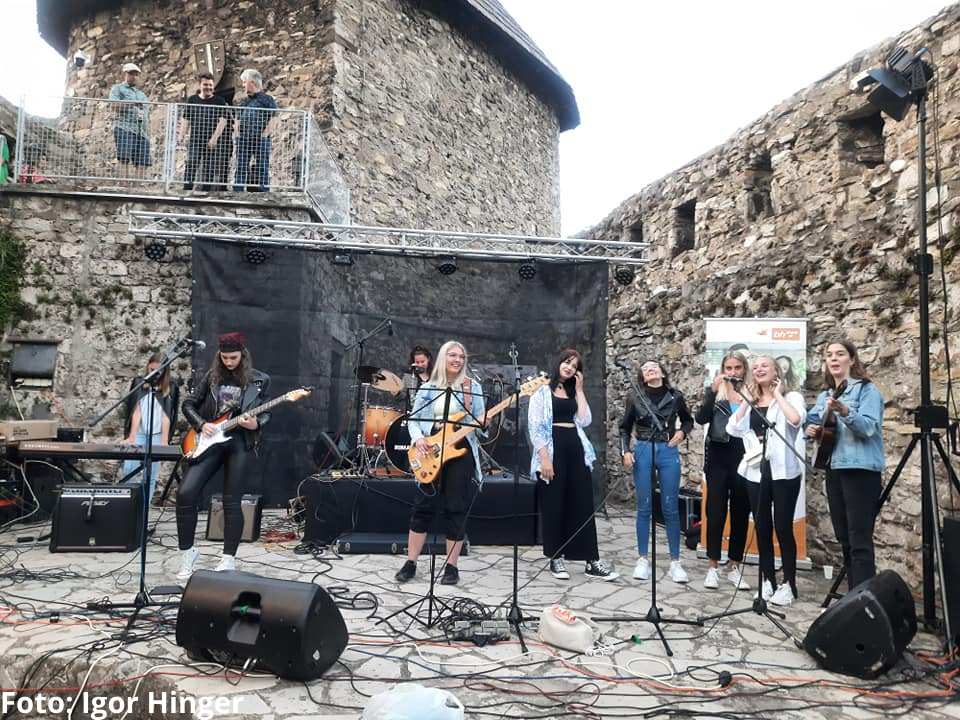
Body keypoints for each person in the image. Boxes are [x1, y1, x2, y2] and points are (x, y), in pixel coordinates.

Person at [176, 332, 270, 580]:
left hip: (239, 442)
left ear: (243, 355)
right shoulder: (212, 376)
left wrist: (256, 424)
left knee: (232, 501)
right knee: (185, 493)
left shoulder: (259, 380)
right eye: (224, 358)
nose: (228, 362)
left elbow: (266, 412)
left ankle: (228, 558)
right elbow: (188, 404)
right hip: (211, 439)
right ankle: (187, 553)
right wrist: (201, 424)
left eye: (233, 358)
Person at [395, 341, 487, 586]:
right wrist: (419, 438)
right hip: (431, 449)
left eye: (461, 356)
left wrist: (484, 424)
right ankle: (411, 562)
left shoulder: (472, 387)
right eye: (452, 355)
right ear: (443, 358)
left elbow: (481, 424)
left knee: (456, 507)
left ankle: (451, 567)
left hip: (460, 450)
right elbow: (414, 420)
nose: (457, 360)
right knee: (422, 506)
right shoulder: (428, 387)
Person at [528, 349, 618, 581]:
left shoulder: (572, 391)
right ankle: (556, 557)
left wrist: (579, 390)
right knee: (554, 504)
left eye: (575, 366)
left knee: (582, 504)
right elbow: (535, 427)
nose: (569, 368)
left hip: (576, 449)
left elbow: (585, 420)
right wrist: (545, 459)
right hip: (552, 450)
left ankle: (591, 560)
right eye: (567, 363)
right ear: (559, 362)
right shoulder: (541, 391)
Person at [726, 355, 806, 607]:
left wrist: (778, 395)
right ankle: (768, 580)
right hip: (756, 472)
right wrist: (746, 401)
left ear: (776, 371)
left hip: (784, 473)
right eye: (756, 367)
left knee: (783, 527)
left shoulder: (792, 397)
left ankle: (789, 584)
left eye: (765, 366)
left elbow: (795, 420)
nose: (759, 369)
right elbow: (732, 428)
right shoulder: (751, 400)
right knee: (761, 527)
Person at [805, 340, 884, 591]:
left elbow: (869, 428)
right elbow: (812, 423)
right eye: (829, 355)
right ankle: (854, 595)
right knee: (844, 538)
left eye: (840, 354)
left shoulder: (867, 390)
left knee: (859, 539)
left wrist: (845, 411)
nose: (834, 358)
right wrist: (811, 430)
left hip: (860, 470)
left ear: (852, 359)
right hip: (834, 468)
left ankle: (863, 600)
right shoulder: (825, 395)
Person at [619, 359, 694, 584]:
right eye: (645, 369)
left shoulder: (675, 396)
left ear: (662, 372)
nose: (649, 369)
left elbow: (688, 420)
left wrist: (681, 433)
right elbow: (624, 427)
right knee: (644, 506)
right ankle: (642, 559)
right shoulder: (635, 396)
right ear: (642, 377)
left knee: (670, 507)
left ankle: (675, 562)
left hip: (667, 450)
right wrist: (625, 451)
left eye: (653, 366)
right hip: (643, 447)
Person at [695, 351, 751, 590]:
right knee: (715, 513)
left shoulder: (751, 393)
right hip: (718, 458)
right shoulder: (717, 393)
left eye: (737, 367)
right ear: (723, 370)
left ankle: (734, 565)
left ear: (744, 369)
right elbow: (700, 418)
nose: (733, 372)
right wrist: (711, 392)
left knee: (741, 513)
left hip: (744, 458)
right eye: (729, 368)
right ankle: (712, 567)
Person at [120, 352, 179, 500]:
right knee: (128, 469)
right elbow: (136, 411)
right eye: (152, 369)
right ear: (148, 366)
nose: (154, 374)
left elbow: (167, 415)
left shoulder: (171, 386)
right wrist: (131, 436)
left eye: (158, 371)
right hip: (139, 432)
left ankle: (145, 506)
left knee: (150, 474)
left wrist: (164, 441)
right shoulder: (139, 382)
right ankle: (126, 503)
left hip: (157, 434)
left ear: (165, 370)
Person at [181, 72, 230, 191]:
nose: (208, 87)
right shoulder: (192, 100)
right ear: (200, 85)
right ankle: (186, 190)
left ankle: (206, 192)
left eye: (210, 85)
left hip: (212, 141)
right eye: (205, 84)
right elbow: (186, 118)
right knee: (191, 163)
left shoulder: (219, 100)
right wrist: (181, 135)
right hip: (195, 140)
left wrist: (214, 138)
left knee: (209, 168)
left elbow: (223, 121)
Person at [233, 68, 278, 192]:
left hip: (261, 140)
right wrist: (237, 134)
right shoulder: (245, 101)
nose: (243, 85)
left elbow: (274, 118)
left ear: (251, 82)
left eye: (244, 82)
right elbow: (238, 119)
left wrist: (265, 134)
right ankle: (237, 192)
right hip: (244, 139)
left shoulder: (267, 99)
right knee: (241, 167)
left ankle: (264, 193)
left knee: (262, 167)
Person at [109, 63, 152, 168]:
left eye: (136, 74)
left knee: (142, 164)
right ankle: (123, 180)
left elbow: (146, 113)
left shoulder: (141, 95)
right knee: (124, 160)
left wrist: (147, 132)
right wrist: (133, 104)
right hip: (125, 127)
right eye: (131, 73)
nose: (134, 77)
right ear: (124, 74)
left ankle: (136, 181)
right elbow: (113, 105)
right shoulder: (117, 89)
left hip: (141, 132)